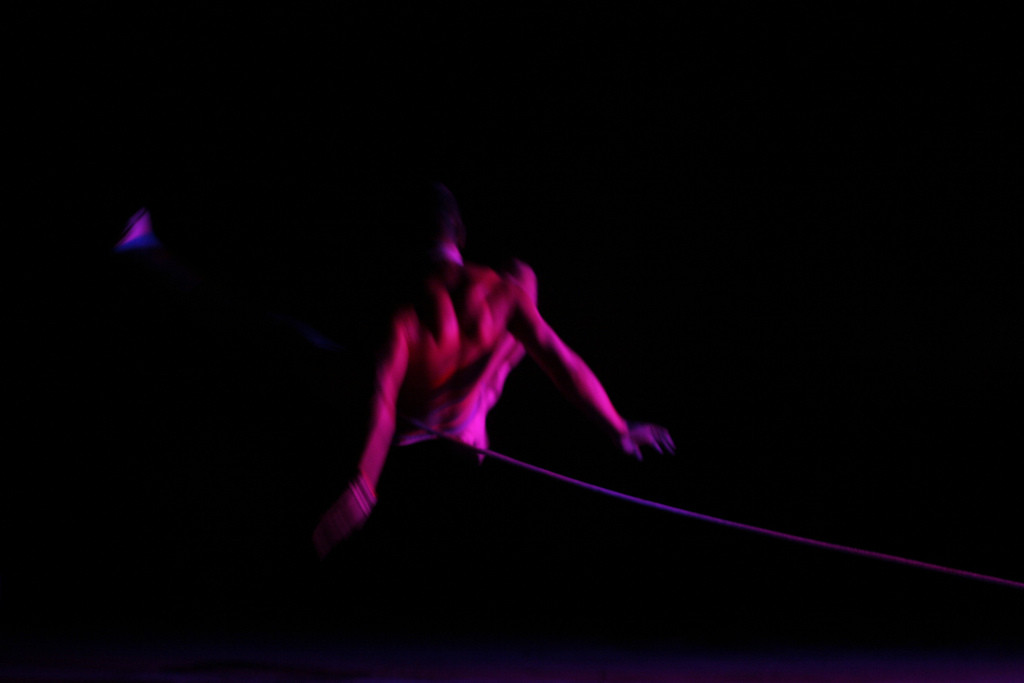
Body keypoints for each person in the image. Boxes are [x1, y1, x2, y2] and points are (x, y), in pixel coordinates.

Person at [312, 183, 674, 559]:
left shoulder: (405, 313)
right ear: (461, 235)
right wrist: (619, 428)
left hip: (416, 423)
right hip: (463, 417)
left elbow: (383, 403)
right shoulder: (500, 293)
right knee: (523, 278)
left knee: (311, 347)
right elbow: (563, 361)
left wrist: (364, 485)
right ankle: (477, 415)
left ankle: (475, 413)